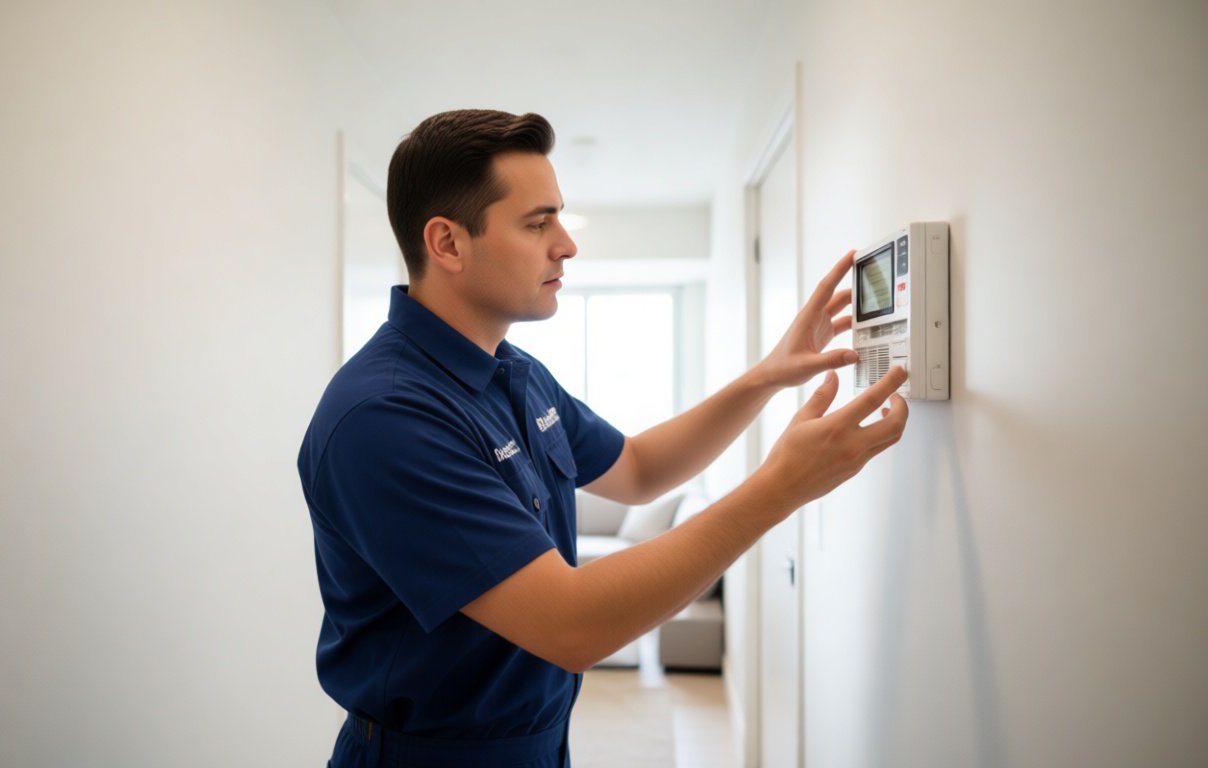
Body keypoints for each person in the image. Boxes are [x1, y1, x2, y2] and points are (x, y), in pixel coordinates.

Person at [298, 109, 908, 768]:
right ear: (448, 244)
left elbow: (639, 468)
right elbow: (572, 624)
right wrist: (781, 487)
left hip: (540, 745)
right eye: (538, 223)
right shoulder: (386, 417)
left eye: (559, 216)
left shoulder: (517, 375)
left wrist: (765, 377)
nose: (567, 244)